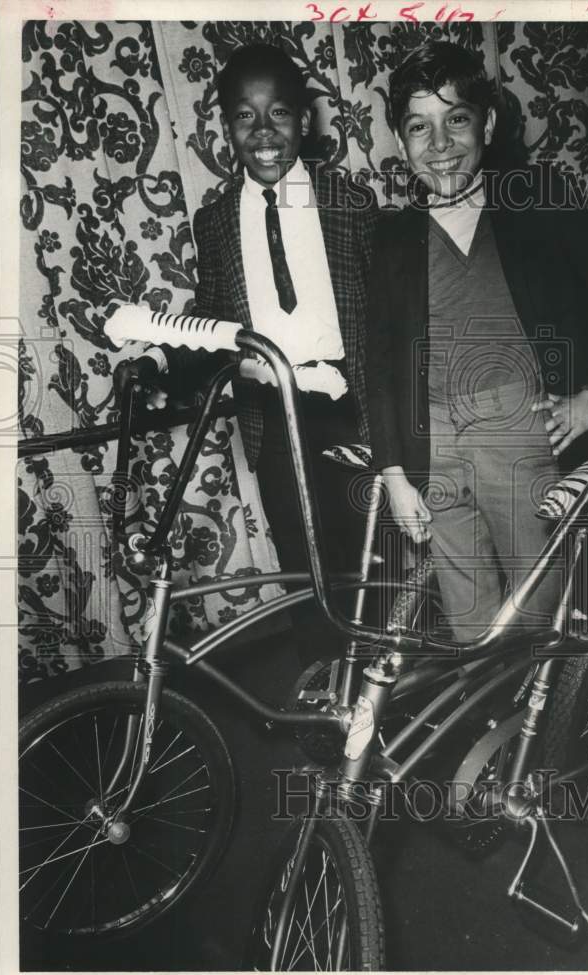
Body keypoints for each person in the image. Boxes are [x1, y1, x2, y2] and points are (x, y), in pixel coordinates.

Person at [365, 40, 588, 642]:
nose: (440, 144)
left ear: (489, 124)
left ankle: (541, 727)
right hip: (434, 440)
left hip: (522, 432)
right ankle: (493, 724)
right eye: (420, 127)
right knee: (468, 613)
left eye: (457, 120)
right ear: (400, 141)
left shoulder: (536, 204)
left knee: (537, 602)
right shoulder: (393, 238)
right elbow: (379, 361)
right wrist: (395, 474)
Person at [114, 43, 378, 586]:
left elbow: (390, 317)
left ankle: (385, 669)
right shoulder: (214, 222)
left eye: (277, 112)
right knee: (303, 573)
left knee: (372, 565)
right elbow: (213, 323)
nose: (262, 131)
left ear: (304, 120)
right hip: (272, 419)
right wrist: (159, 362)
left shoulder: (351, 203)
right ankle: (320, 671)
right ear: (226, 129)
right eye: (244, 116)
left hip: (355, 409)